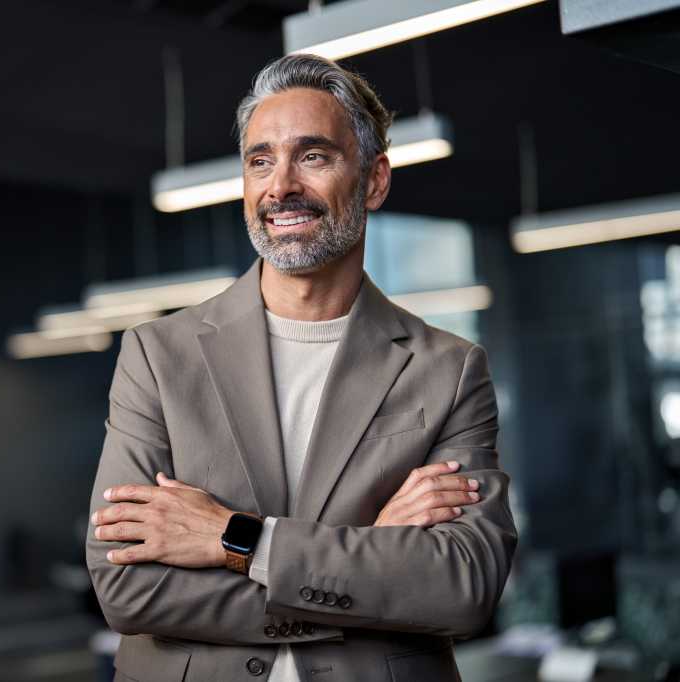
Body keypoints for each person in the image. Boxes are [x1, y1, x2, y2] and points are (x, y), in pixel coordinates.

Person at [86, 54, 517, 682]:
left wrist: (233, 540)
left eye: (312, 156)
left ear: (373, 180)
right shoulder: (158, 355)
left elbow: (463, 585)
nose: (280, 186)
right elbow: (125, 586)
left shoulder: (448, 369)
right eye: (260, 160)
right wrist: (373, 564)